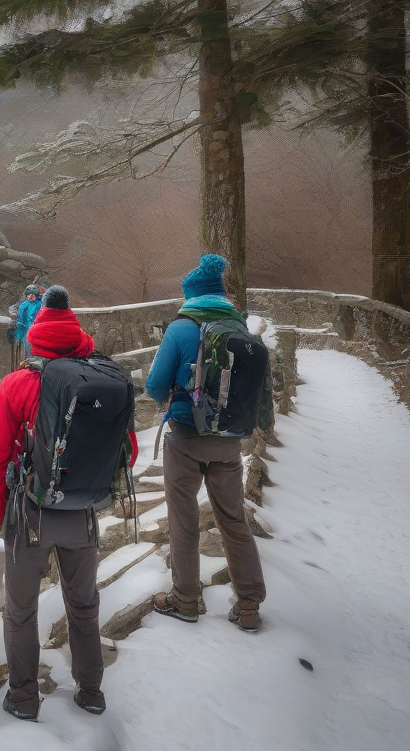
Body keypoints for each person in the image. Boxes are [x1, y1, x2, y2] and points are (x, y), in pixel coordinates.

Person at [0, 286, 136, 722]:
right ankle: (90, 691)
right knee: (84, 605)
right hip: (83, 514)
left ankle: (25, 699)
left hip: (29, 512)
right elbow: (128, 452)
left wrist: (0, 513)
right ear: (76, 334)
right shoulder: (104, 380)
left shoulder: (18, 384)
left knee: (21, 611)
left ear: (36, 334)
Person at [145, 254, 266, 633]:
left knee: (184, 519)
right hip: (229, 441)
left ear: (191, 296)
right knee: (233, 519)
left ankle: (184, 599)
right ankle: (248, 604)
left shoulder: (181, 328)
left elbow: (154, 387)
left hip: (186, 436)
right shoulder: (241, 327)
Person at [14, 284, 42, 357]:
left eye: (32, 294)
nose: (30, 296)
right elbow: (20, 319)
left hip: (37, 330)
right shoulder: (23, 305)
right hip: (26, 330)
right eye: (29, 294)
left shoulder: (40, 304)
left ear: (36, 295)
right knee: (28, 350)